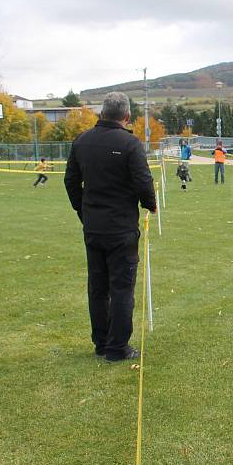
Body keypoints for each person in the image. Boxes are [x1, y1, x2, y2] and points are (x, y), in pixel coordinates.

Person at [64, 91, 156, 362]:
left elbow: (71, 182)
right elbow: (143, 180)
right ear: (127, 117)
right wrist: (150, 203)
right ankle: (116, 347)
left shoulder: (81, 141)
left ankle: (102, 342)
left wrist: (83, 211)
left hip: (93, 227)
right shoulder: (130, 143)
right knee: (121, 288)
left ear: (101, 114)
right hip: (121, 228)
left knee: (98, 286)